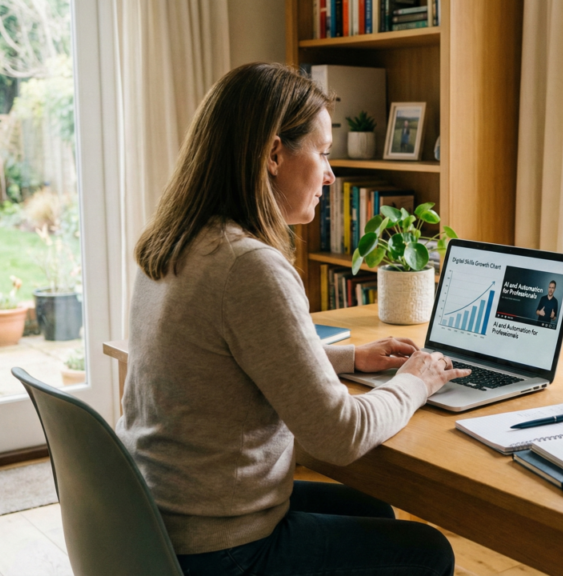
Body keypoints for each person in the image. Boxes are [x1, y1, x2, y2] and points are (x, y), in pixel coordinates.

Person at [116, 62, 469, 576]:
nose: (331, 173)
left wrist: (351, 357)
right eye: (323, 153)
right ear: (274, 154)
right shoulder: (248, 266)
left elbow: (223, 362)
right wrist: (415, 382)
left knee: (370, 509)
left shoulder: (177, 242)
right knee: (428, 551)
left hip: (159, 519)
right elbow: (339, 436)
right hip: (220, 547)